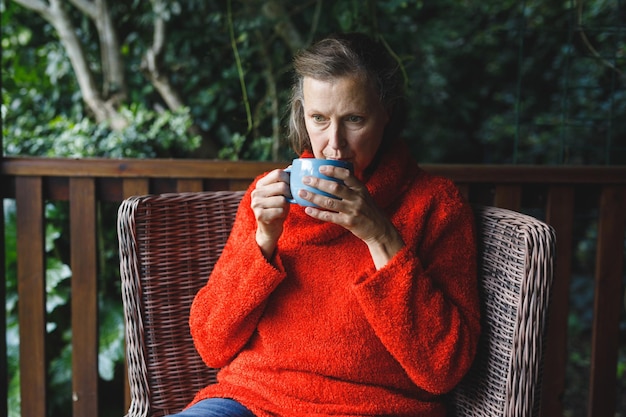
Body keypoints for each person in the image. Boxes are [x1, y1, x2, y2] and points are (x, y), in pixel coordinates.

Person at [173, 32, 481, 417]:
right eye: (319, 119)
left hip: (371, 409)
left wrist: (380, 235)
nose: (334, 145)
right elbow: (211, 343)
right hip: (251, 402)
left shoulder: (435, 205)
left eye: (354, 119)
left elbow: (443, 370)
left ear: (387, 113)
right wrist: (264, 240)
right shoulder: (270, 197)